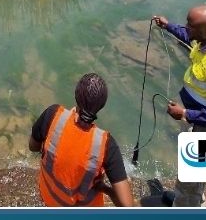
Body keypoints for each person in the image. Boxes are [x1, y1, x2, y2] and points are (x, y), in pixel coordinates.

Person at [152, 5, 206, 207]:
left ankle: (186, 206)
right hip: (197, 118)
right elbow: (188, 35)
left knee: (191, 174)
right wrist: (168, 26)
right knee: (189, 173)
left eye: (191, 26)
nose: (187, 28)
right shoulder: (205, 39)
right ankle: (188, 198)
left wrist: (185, 113)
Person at [28, 73, 135, 207]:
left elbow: (33, 146)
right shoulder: (106, 144)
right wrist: (105, 188)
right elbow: (128, 207)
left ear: (76, 95)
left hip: (48, 199)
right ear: (102, 105)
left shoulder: (53, 114)